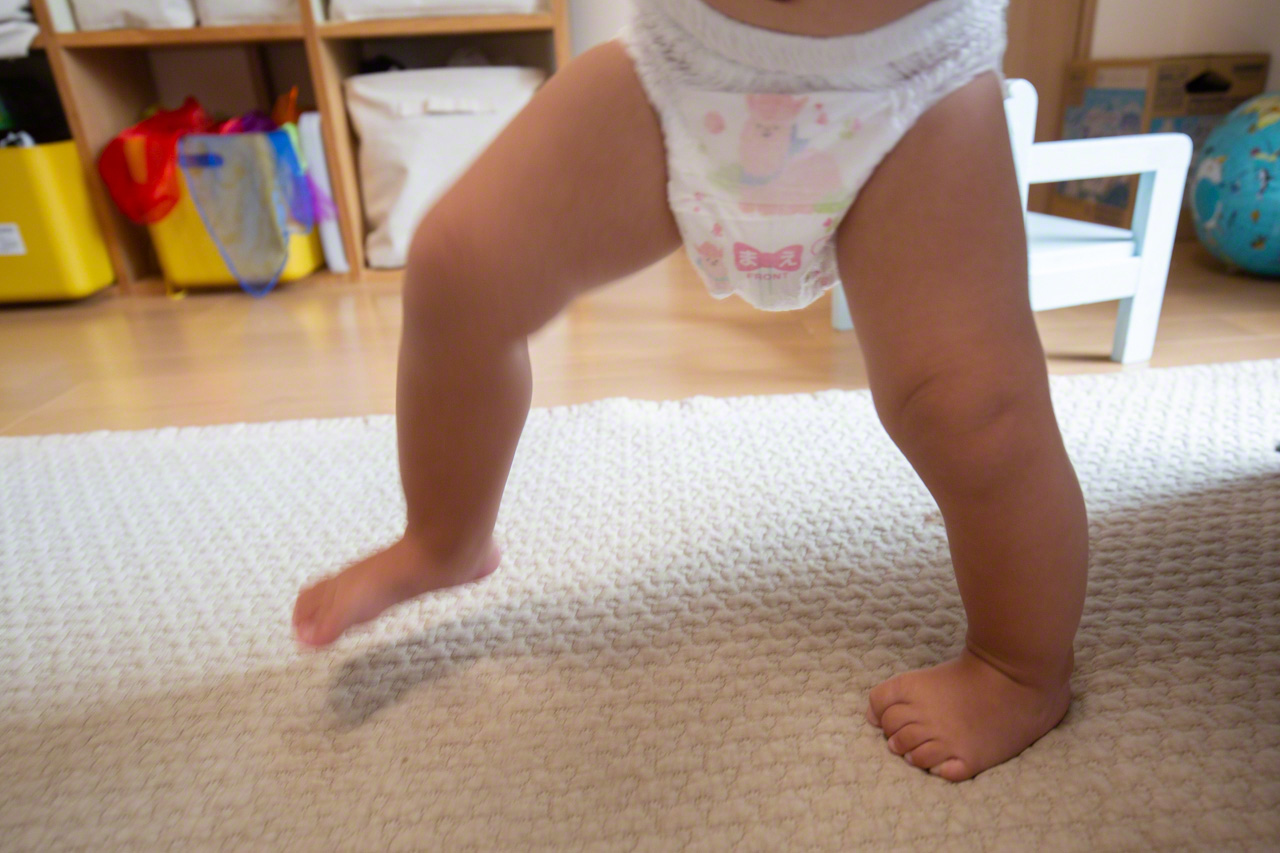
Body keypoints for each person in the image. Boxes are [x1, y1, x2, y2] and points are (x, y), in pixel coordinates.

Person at [294, 0, 1089, 782]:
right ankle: (443, 538)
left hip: (915, 89)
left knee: (976, 413)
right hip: (680, 64)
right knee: (460, 269)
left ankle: (1017, 664)